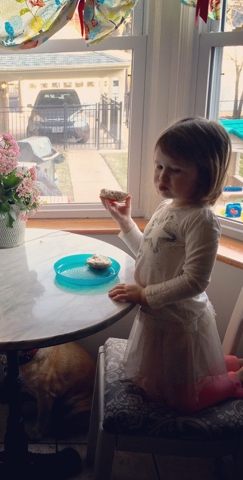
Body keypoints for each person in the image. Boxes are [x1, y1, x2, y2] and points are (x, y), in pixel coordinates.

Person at [100, 117, 243, 413]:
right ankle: (221, 364)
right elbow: (152, 252)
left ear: (206, 174)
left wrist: (144, 294)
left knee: (182, 400)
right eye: (159, 166)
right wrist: (126, 223)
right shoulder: (167, 206)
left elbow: (195, 281)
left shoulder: (201, 220)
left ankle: (234, 380)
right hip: (158, 318)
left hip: (179, 324)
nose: (162, 177)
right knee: (156, 381)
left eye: (175, 170)